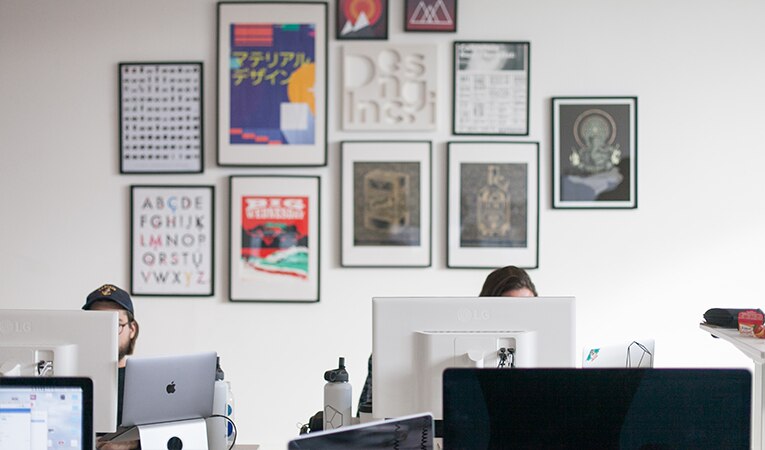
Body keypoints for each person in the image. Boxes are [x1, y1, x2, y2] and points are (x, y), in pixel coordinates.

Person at [357, 265, 537, 415]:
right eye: (510, 310)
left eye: (527, 309)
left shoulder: (545, 355)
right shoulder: (386, 356)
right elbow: (365, 416)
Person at [82, 283, 140, 450]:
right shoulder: (69, 380)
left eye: (116, 324)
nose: (107, 333)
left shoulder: (148, 384)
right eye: (98, 324)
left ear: (132, 329)